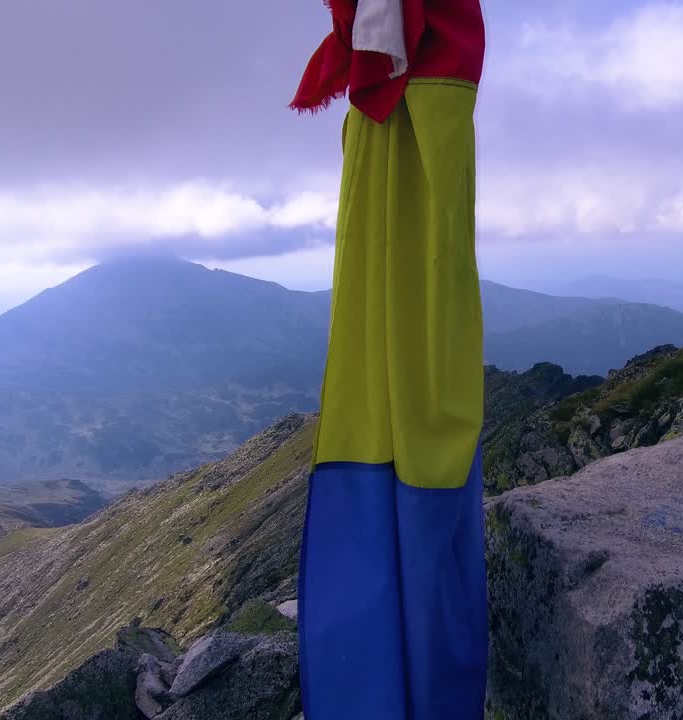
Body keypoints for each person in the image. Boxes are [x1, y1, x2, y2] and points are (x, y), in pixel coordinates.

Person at [291, 1, 489, 718]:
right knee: (418, 374)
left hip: (414, 105)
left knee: (394, 385)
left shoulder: (393, 97)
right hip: (422, 103)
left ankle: (380, 682)